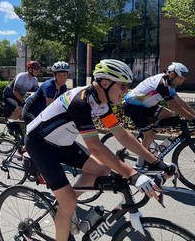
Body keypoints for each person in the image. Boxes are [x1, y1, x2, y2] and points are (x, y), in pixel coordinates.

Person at [25, 59, 177, 241]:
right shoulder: (80, 102)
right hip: (40, 144)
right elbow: (96, 147)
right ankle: (66, 204)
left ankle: (64, 203)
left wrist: (156, 162)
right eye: (122, 86)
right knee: (70, 202)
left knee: (101, 169)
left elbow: (122, 135)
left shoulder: (102, 103)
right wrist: (132, 174)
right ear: (105, 83)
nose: (126, 91)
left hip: (62, 143)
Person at [123, 62, 195, 168]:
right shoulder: (162, 84)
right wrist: (191, 118)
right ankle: (139, 164)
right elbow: (174, 106)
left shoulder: (170, 83)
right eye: (181, 77)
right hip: (133, 106)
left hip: (145, 105)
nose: (183, 80)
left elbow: (180, 102)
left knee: (168, 115)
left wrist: (194, 115)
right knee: (149, 135)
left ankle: (150, 141)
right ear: (172, 75)